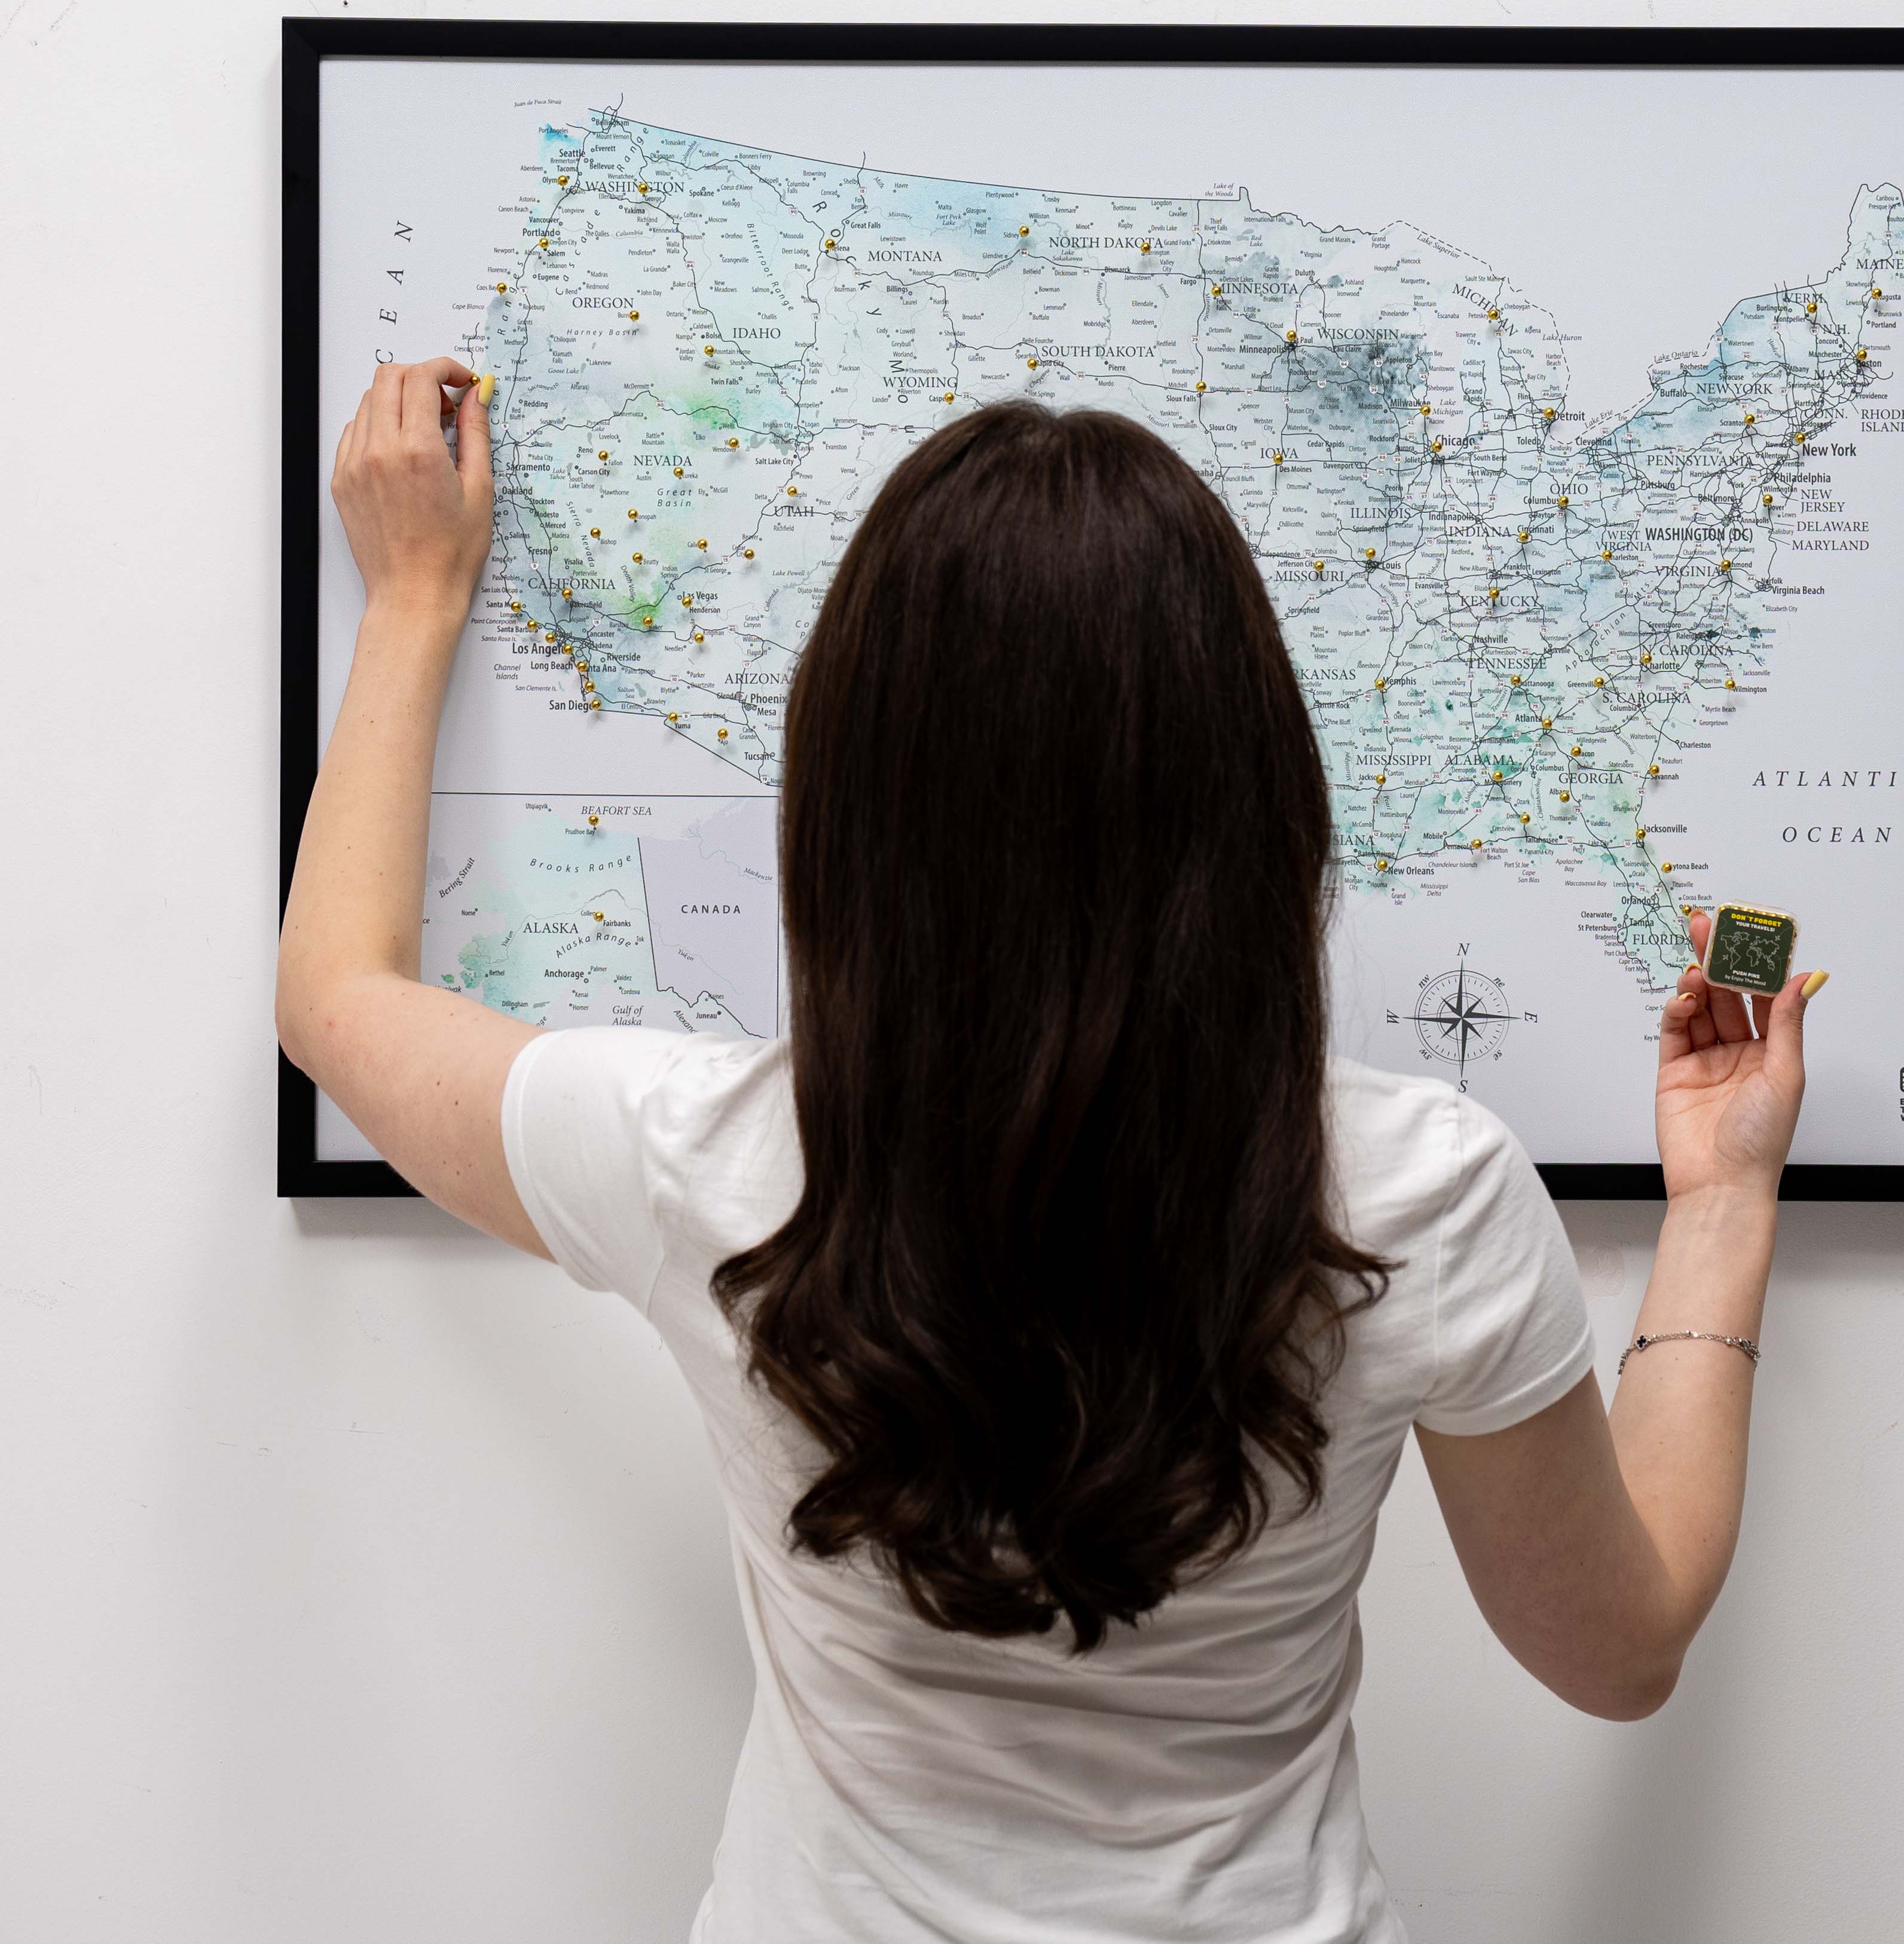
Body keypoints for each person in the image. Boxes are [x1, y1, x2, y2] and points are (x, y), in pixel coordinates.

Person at [278, 357, 1819, 1944]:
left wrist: (410, 596)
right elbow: (1616, 1649)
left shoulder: (701, 1158)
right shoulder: (1419, 1192)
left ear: (845, 813)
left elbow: (335, 999)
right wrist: (1718, 1195)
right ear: (1261, 797)